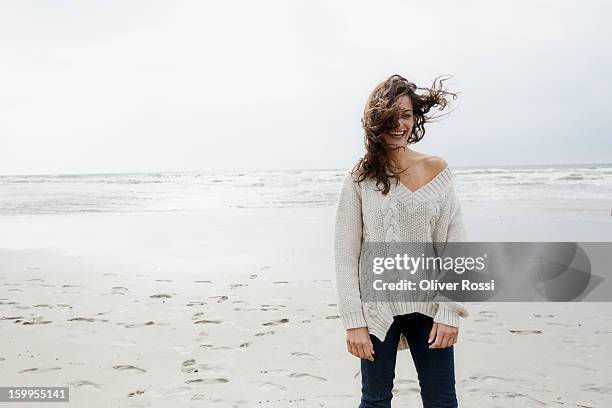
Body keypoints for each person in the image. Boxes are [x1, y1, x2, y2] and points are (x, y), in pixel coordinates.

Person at [334, 74, 469, 408]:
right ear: (376, 120)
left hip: (430, 307)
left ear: (415, 118)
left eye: (406, 115)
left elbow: (455, 245)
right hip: (378, 310)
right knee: (375, 401)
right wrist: (354, 323)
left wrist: (449, 313)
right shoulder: (360, 177)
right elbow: (345, 254)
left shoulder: (437, 170)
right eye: (391, 115)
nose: (400, 124)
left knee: (442, 402)